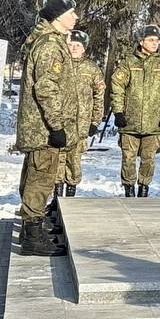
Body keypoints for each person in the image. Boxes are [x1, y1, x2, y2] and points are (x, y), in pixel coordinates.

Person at [14, 0, 76, 256]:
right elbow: (46, 89)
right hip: (43, 129)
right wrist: (57, 126)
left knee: (35, 177)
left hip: (41, 127)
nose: (76, 17)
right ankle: (32, 237)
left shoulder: (50, 41)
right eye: (71, 12)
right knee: (40, 179)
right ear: (58, 17)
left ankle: (33, 230)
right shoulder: (50, 45)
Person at [110, 24, 160, 197]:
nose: (155, 43)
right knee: (128, 159)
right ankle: (129, 189)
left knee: (149, 159)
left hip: (153, 122)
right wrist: (118, 112)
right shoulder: (128, 63)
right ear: (141, 42)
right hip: (130, 122)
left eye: (157, 40)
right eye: (151, 40)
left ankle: (144, 189)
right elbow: (117, 87)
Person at [58, 29, 104, 199]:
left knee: (74, 163)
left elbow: (99, 97)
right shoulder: (60, 64)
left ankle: (70, 199)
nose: (75, 48)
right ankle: (56, 201)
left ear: (84, 48)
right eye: (71, 44)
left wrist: (95, 121)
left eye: (78, 45)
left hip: (81, 125)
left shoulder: (92, 69)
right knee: (57, 163)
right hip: (60, 123)